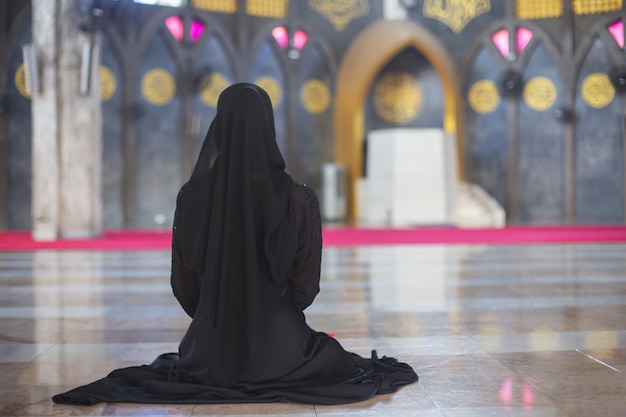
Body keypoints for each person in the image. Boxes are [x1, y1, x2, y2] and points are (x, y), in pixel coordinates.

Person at [52, 83, 417, 406]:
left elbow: (184, 285)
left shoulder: (191, 197)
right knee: (330, 357)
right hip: (284, 349)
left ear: (220, 128)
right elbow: (306, 286)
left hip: (207, 351)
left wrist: (218, 315)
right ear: (267, 126)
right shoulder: (298, 200)